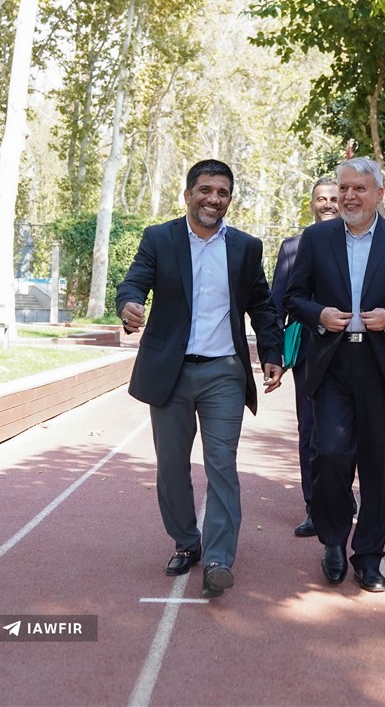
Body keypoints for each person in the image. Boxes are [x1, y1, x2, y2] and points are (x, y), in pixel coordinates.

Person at [117, 159, 284, 599]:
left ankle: (218, 559)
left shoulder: (246, 247)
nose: (214, 199)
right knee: (172, 467)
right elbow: (134, 283)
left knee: (222, 464)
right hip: (170, 372)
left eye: (222, 192)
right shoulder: (159, 238)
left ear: (230, 199)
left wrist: (272, 353)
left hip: (224, 371)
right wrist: (129, 305)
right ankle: (187, 542)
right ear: (188, 194)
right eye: (206, 190)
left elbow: (262, 305)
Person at [285, 156, 385, 593]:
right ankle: (333, 541)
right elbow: (294, 296)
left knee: (380, 467)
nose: (349, 196)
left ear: (379, 194)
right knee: (331, 453)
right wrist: (319, 314)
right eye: (344, 188)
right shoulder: (316, 238)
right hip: (332, 364)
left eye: (359, 188)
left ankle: (369, 557)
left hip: (381, 364)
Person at [270, 176, 339, 537]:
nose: (328, 204)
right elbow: (276, 305)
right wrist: (275, 357)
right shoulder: (293, 248)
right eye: (321, 199)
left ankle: (341, 495)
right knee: (310, 429)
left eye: (334, 198)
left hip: (354, 353)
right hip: (309, 354)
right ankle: (314, 505)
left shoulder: (361, 246)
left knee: (348, 432)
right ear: (312, 205)